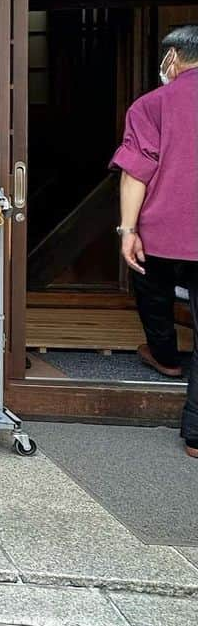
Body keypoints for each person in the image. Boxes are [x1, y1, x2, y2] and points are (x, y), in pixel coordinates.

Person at [110, 24, 198, 459]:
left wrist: (128, 230)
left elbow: (136, 170)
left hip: (163, 229)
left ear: (172, 59)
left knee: (151, 283)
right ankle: (196, 435)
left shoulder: (153, 104)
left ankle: (165, 355)